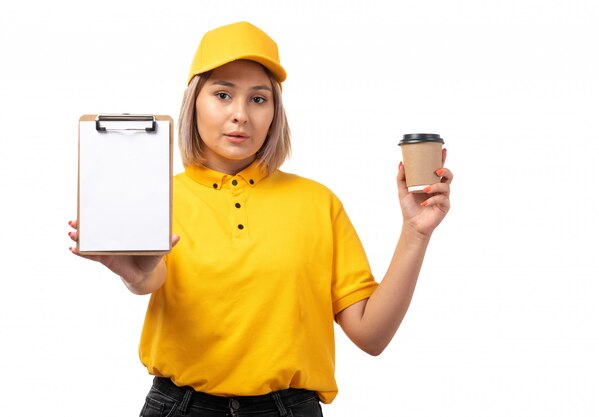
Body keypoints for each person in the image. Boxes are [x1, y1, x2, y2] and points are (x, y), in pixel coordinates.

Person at [68, 21, 453, 417]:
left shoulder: (317, 202)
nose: (240, 115)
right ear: (193, 103)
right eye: (222, 94)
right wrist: (134, 274)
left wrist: (414, 233)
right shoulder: (159, 196)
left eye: (258, 99)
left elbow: (371, 335)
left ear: (274, 111)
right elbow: (150, 278)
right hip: (180, 408)